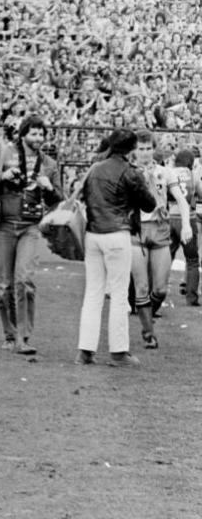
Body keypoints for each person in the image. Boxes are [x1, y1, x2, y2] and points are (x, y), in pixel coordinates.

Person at [0, 116, 63, 355]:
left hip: (30, 227)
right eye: (33, 134)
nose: (38, 139)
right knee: (4, 286)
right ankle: (9, 335)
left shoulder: (49, 163)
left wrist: (48, 187)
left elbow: (58, 200)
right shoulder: (1, 152)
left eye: (41, 134)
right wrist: (2, 175)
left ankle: (23, 337)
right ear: (23, 135)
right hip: (2, 225)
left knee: (25, 281)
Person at [76, 129, 156, 367]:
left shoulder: (94, 169)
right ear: (131, 149)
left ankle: (85, 350)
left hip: (93, 232)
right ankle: (119, 351)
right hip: (117, 233)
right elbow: (149, 204)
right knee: (120, 294)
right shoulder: (130, 172)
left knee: (93, 293)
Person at [130, 130, 192, 349]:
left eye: (148, 148)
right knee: (141, 286)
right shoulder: (129, 172)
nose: (145, 153)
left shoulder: (165, 172)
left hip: (160, 231)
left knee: (161, 289)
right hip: (136, 231)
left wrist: (186, 224)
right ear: (134, 150)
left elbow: (182, 201)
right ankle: (149, 333)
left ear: (153, 149)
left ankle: (147, 313)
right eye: (141, 149)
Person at [168, 149, 202, 306]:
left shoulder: (169, 172)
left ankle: (157, 289)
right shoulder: (192, 174)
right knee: (193, 260)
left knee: (166, 256)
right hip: (188, 218)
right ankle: (192, 297)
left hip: (170, 217)